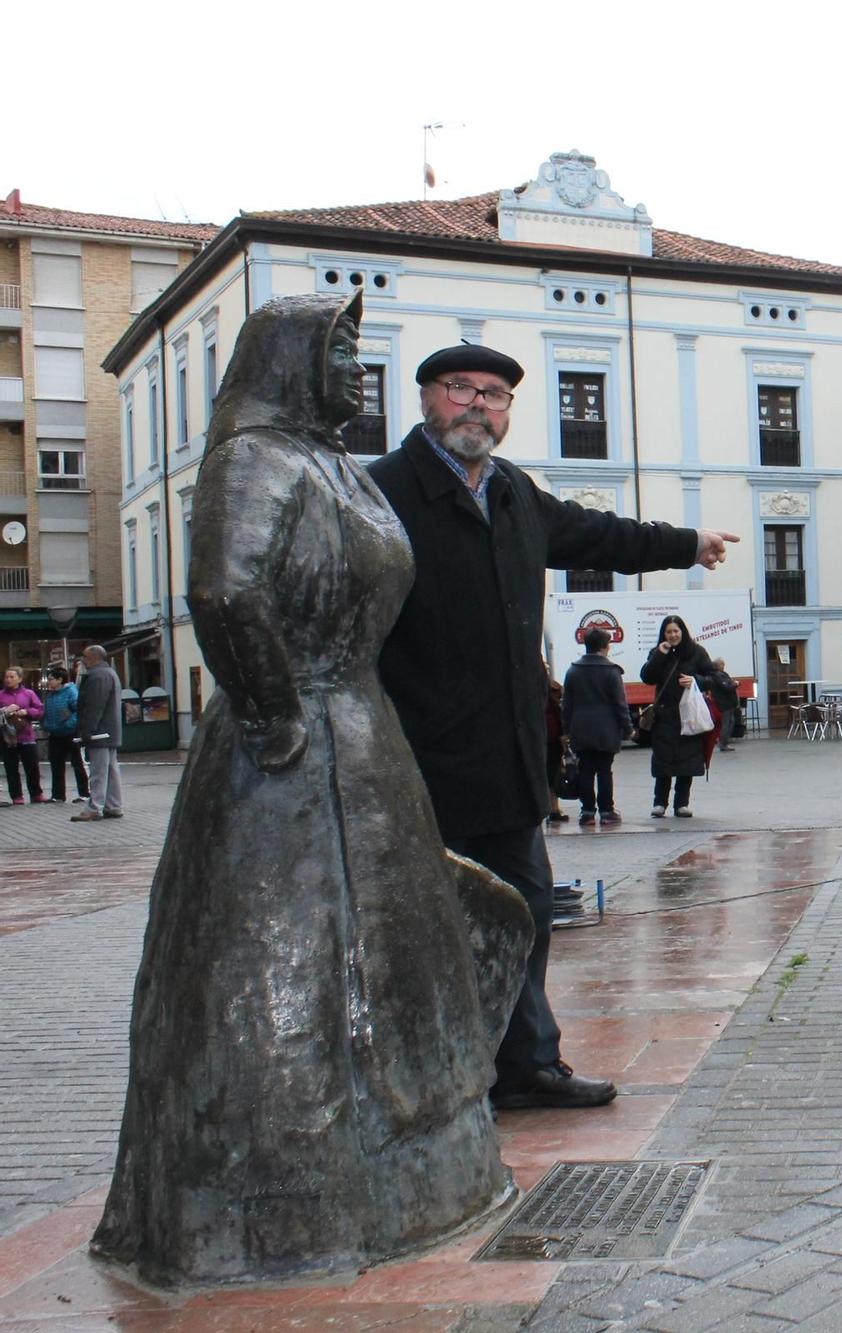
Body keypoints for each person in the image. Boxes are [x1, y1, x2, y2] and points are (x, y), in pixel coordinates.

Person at [94, 294, 539, 1283]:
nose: (352, 373)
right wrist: (275, 710)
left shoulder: (328, 462)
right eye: (339, 353)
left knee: (395, 958)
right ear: (291, 360)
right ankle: (289, 1209)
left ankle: (417, 1175)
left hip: (357, 736)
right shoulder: (255, 456)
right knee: (295, 972)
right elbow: (221, 588)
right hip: (297, 755)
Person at [369, 341, 736, 1112]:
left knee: (525, 913)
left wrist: (685, 545)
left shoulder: (511, 493)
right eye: (461, 388)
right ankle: (427, 1078)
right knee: (425, 933)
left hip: (505, 760)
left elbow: (598, 534)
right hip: (414, 765)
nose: (478, 404)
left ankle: (524, 1065)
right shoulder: (380, 494)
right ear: (428, 399)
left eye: (494, 394)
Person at [642, 615, 728, 817]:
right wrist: (659, 655)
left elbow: (714, 678)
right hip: (664, 716)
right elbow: (647, 677)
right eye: (668, 632)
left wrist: (696, 680)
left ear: (683, 632)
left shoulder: (697, 652)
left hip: (689, 714)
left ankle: (681, 803)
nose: (672, 635)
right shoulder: (657, 652)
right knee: (663, 760)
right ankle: (659, 803)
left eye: (675, 631)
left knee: (686, 760)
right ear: (664, 634)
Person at [563, 628, 631, 826]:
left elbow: (567, 704)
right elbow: (620, 703)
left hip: (581, 728)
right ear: (605, 646)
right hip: (606, 729)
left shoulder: (573, 671)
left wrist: (566, 730)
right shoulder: (611, 671)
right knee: (604, 770)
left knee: (585, 770)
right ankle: (607, 811)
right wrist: (627, 727)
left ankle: (587, 811)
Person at [72, 646, 122, 821]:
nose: (83, 661)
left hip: (99, 733)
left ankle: (95, 807)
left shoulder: (97, 676)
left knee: (98, 772)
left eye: (85, 657)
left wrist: (86, 730)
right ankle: (113, 805)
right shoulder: (110, 673)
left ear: (93, 657)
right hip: (110, 731)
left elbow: (94, 706)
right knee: (111, 770)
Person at [41, 665, 87, 804]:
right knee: (56, 764)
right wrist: (47, 725)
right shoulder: (50, 695)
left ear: (60, 680)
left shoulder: (71, 692)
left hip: (71, 733)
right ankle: (58, 795)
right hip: (55, 734)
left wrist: (69, 724)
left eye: (51, 679)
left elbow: (78, 710)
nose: (48, 682)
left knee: (77, 763)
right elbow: (46, 712)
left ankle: (84, 793)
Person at [0, 668, 45, 805]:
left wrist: (27, 711)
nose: (8, 679)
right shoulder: (1, 695)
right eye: (6, 677)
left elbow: (40, 710)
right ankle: (16, 796)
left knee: (32, 766)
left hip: (26, 735)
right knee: (11, 768)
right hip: (8, 737)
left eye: (12, 677)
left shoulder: (28, 694)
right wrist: (5, 711)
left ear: (20, 679)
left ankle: (36, 794)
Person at [542, 664, 568, 826]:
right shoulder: (553, 688)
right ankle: (552, 809)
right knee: (551, 774)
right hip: (550, 736)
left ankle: (552, 809)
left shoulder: (553, 688)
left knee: (551, 774)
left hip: (549, 737)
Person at [709, 657, 740, 752]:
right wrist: (735, 684)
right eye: (722, 664)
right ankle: (723, 743)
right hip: (724, 703)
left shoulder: (722, 674)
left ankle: (723, 741)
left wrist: (732, 683)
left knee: (730, 722)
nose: (724, 666)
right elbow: (726, 687)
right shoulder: (717, 675)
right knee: (727, 723)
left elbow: (728, 683)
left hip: (729, 702)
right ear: (718, 665)